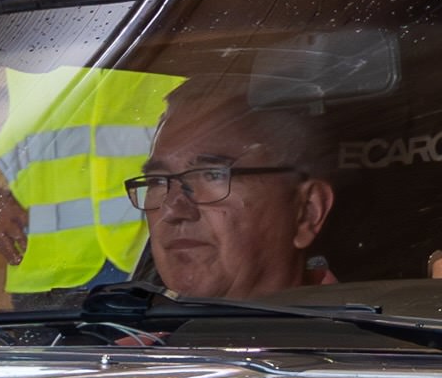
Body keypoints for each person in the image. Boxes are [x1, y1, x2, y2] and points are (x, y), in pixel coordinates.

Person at [137, 90, 338, 297]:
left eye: (212, 175)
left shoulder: (343, 317)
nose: (172, 210)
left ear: (307, 212)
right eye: (157, 181)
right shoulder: (131, 314)